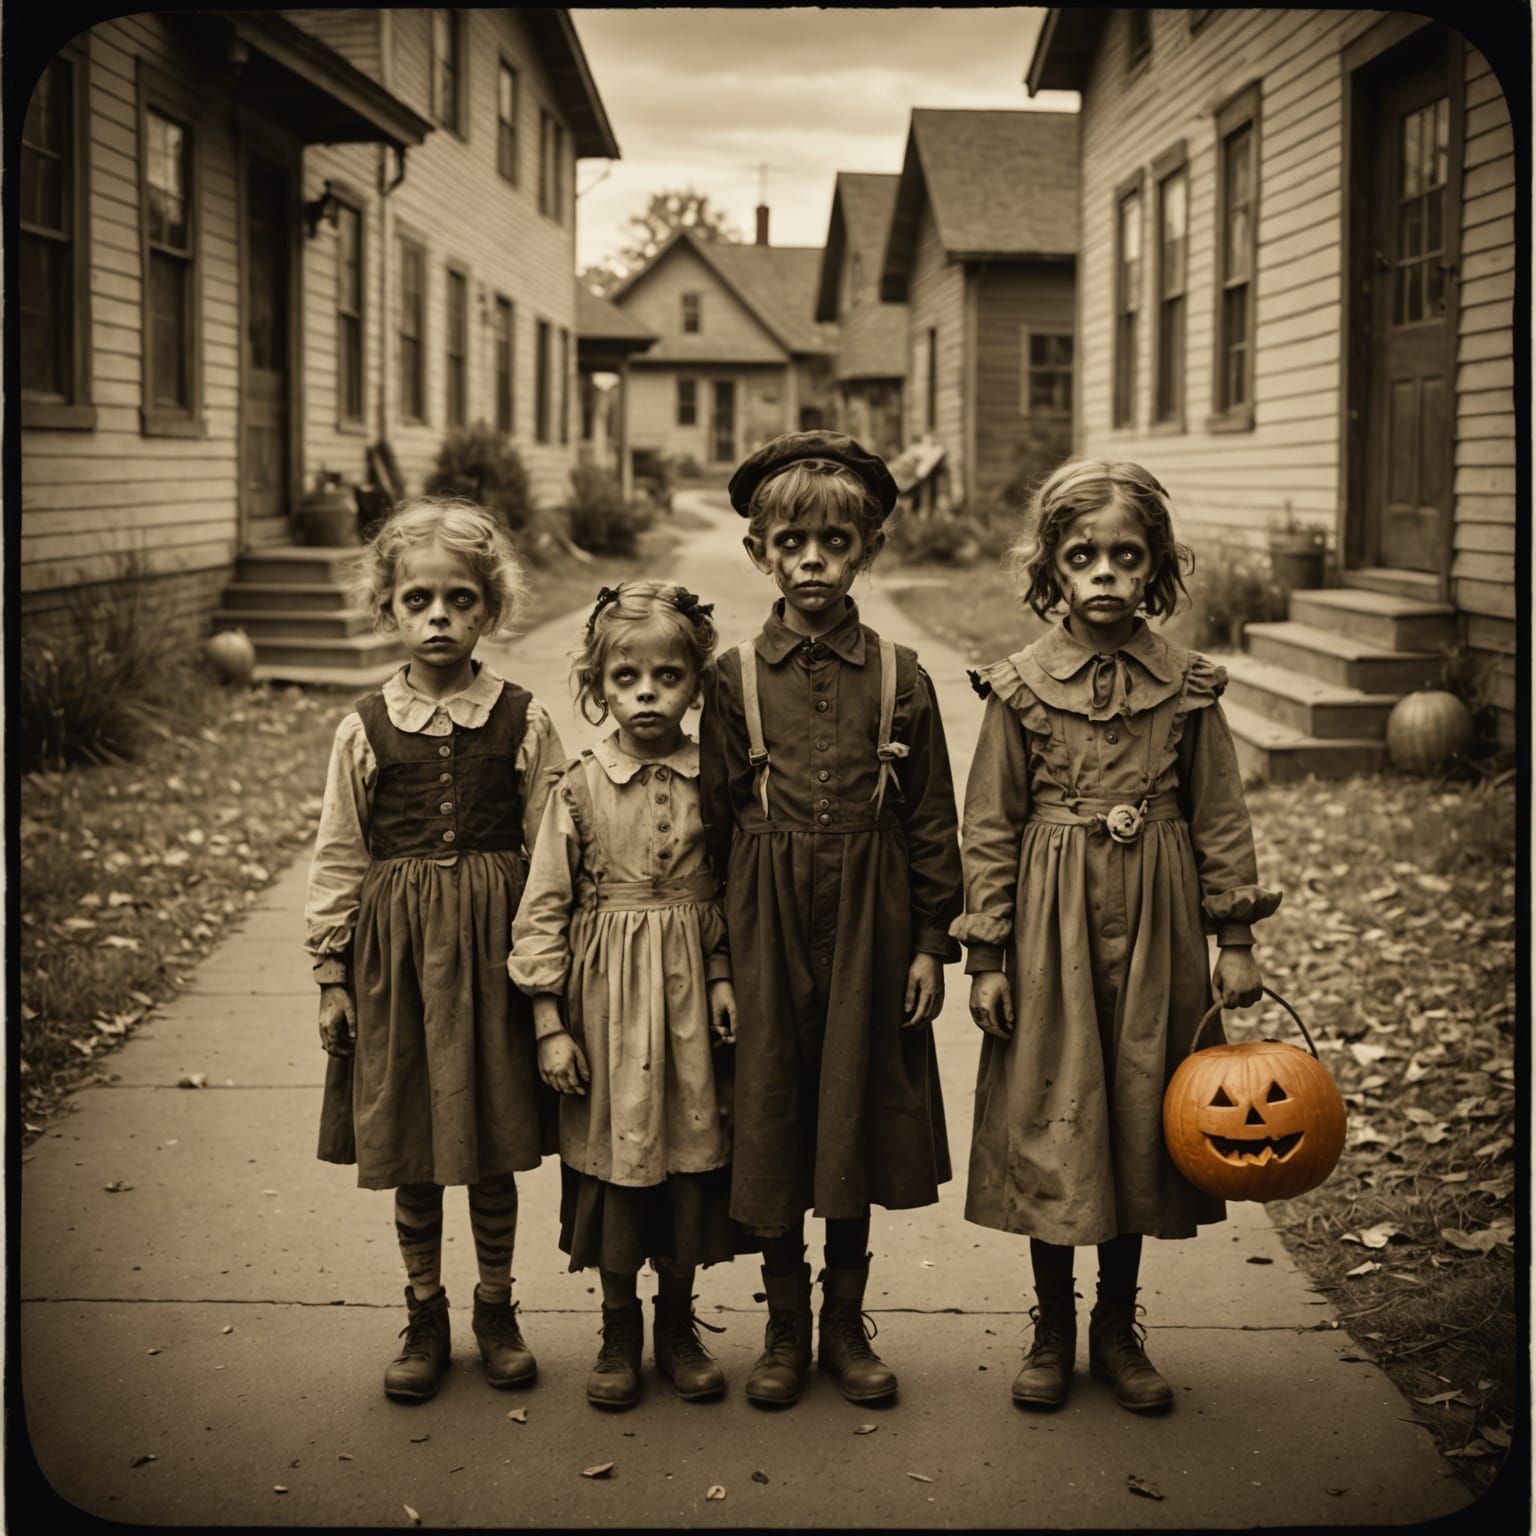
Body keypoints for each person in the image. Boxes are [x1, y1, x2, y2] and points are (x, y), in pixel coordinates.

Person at [953, 458, 1282, 1413]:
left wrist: (1235, 939)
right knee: (1057, 1117)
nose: (1104, 573)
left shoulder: (1188, 689)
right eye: (1082, 555)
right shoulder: (1018, 689)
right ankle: (1052, 1327)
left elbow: (1220, 816)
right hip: (1049, 934)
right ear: (1051, 568)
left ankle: (1116, 1325)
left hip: (1160, 933)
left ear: (1157, 571)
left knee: (1142, 1113)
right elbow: (989, 824)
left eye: (1126, 557)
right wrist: (987, 954)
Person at [699, 431, 963, 1408]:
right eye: (792, 544)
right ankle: (781, 1325)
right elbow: (712, 827)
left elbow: (933, 817)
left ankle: (845, 1324)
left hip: (873, 928)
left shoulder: (903, 675)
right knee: (771, 1115)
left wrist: (935, 943)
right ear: (760, 554)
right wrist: (720, 963)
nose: (813, 561)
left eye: (835, 544)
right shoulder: (732, 679)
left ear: (868, 552)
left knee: (851, 1116)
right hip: (766, 927)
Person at [305, 496, 565, 1403]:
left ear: (490, 609)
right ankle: (425, 1307)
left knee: (490, 1140)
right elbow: (340, 852)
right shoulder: (363, 729)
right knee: (414, 1141)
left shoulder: (524, 721)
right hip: (400, 965)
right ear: (388, 611)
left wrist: (550, 981)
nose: (439, 617)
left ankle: (496, 1304)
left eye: (460, 599)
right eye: (418, 601)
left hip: (495, 957)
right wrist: (332, 972)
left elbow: (555, 853)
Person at [511, 582, 740, 1411]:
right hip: (603, 1009)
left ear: (697, 685)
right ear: (597, 686)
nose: (647, 694)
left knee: (683, 1158)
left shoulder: (713, 779)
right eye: (625, 679)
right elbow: (544, 906)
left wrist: (720, 978)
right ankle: (618, 1330)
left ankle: (677, 1326)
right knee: (616, 1160)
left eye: (668, 677)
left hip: (684, 1006)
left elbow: (721, 891)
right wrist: (547, 1021)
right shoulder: (576, 787)